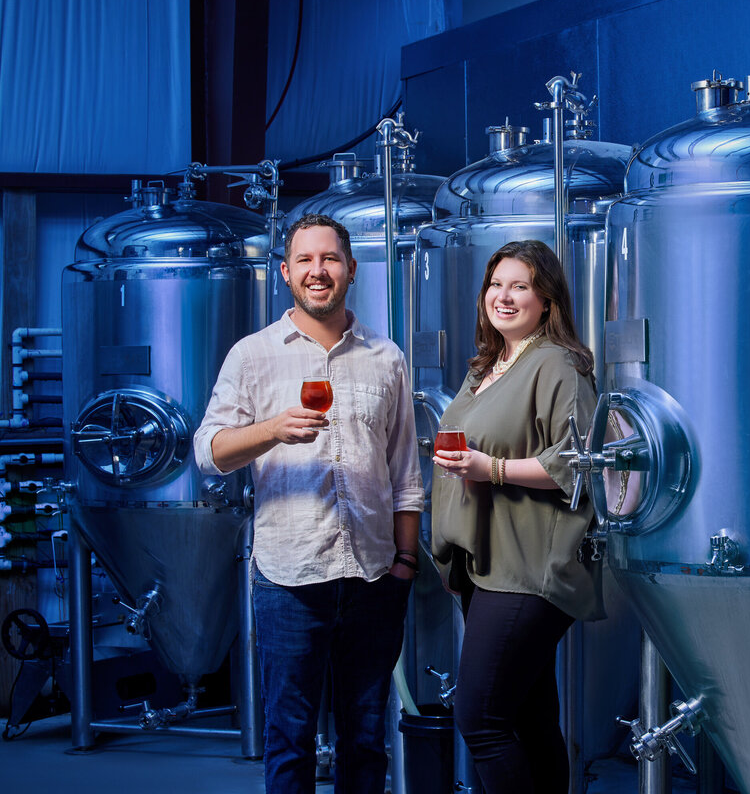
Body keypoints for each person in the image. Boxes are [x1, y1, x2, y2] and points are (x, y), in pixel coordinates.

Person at [193, 213, 423, 793]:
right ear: (285, 273)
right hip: (290, 576)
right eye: (305, 260)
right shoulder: (252, 356)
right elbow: (208, 452)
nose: (317, 271)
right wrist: (271, 429)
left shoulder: (385, 357)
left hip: (374, 576)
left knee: (367, 740)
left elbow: (406, 473)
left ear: (351, 270)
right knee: (289, 739)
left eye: (329, 259)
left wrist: (404, 564)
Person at [431, 239, 604, 794]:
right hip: (486, 565)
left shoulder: (555, 363)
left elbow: (581, 462)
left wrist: (494, 470)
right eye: (495, 285)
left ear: (547, 300)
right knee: (528, 721)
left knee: (479, 720)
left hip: (529, 568)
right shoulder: (488, 364)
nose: (502, 297)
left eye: (520, 286)